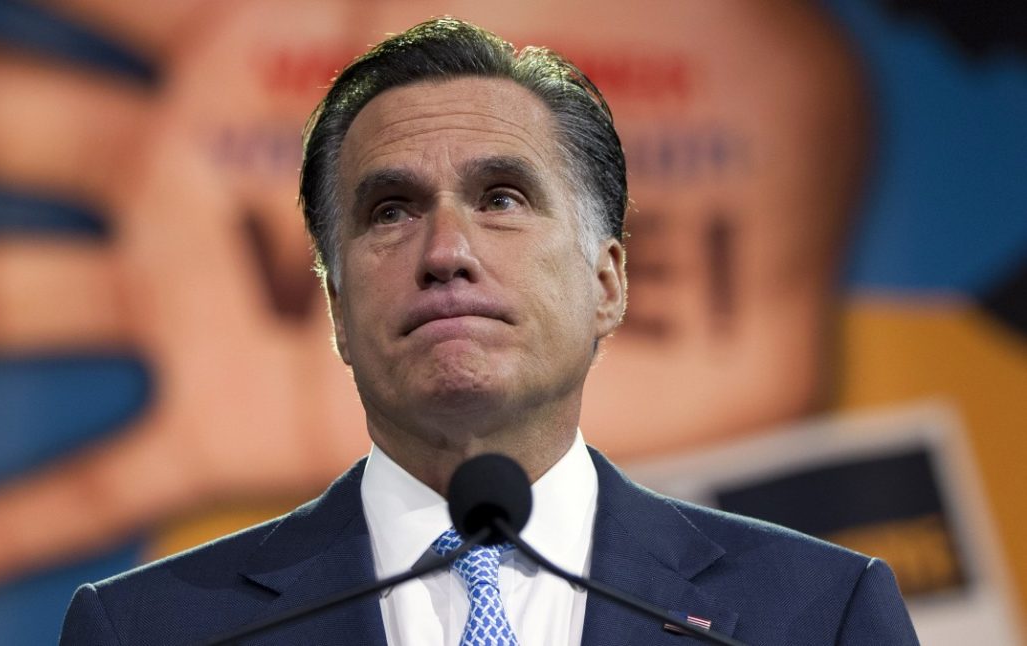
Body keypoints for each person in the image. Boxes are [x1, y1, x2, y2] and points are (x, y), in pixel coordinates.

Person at [59, 16, 915, 645]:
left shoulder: (815, 615)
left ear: (609, 281)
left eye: (502, 197)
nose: (446, 252)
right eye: (389, 210)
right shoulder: (148, 631)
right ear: (336, 312)